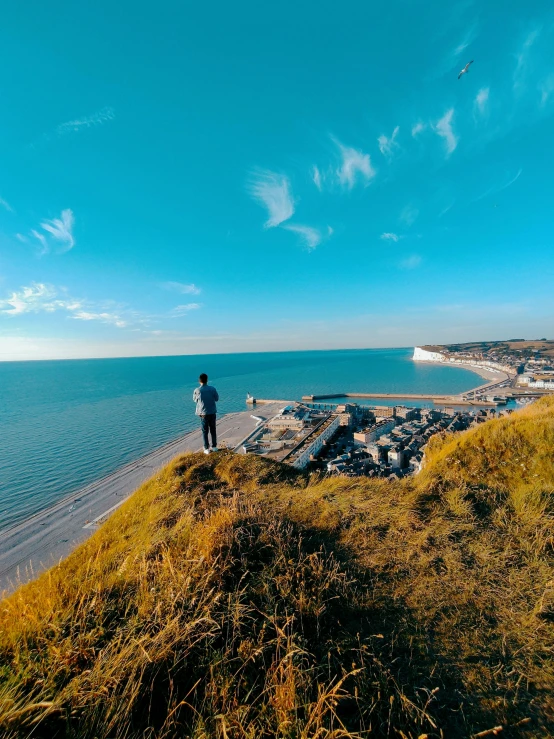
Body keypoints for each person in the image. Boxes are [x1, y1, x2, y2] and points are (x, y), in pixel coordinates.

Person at [193, 373, 219, 454]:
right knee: (213, 430)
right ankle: (214, 446)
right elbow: (217, 398)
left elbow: (195, 400)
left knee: (205, 431)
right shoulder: (212, 389)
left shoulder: (197, 390)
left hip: (203, 413)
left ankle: (206, 448)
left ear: (199, 381)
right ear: (207, 380)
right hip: (212, 412)